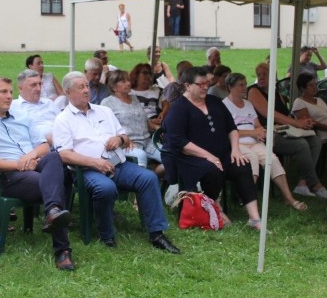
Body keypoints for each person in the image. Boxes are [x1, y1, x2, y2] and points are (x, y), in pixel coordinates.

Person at [54, 71, 180, 252]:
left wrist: (119, 140)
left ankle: (157, 233)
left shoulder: (104, 111)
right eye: (80, 87)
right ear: (67, 92)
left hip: (118, 164)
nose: (85, 90)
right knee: (106, 188)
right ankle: (107, 234)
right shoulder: (63, 119)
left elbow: (125, 137)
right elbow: (64, 154)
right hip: (87, 170)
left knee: (148, 178)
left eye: (86, 86)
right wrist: (94, 162)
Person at [0, 77, 75, 270]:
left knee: (54, 157)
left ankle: (52, 211)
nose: (9, 96)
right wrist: (19, 165)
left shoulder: (22, 116)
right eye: (3, 92)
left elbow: (43, 146)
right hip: (9, 176)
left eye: (10, 91)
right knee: (54, 184)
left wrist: (31, 156)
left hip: (34, 165)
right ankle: (62, 250)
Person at [163, 67, 264, 229]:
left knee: (242, 165)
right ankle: (215, 209)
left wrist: (236, 150)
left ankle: (255, 218)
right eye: (200, 84)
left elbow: (232, 128)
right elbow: (178, 141)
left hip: (221, 154)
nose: (205, 87)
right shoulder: (179, 108)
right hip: (190, 159)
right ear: (187, 86)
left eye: (207, 84)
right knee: (213, 170)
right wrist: (208, 156)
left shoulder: (214, 102)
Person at [248, 62, 327, 199]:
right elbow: (269, 114)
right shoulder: (253, 91)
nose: (261, 77)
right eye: (259, 75)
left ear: (273, 76)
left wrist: (301, 123)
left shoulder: (277, 93)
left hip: (285, 130)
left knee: (315, 140)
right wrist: (296, 123)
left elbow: (286, 115)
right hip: (269, 133)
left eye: (265, 74)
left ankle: (302, 183)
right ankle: (315, 184)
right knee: (301, 144)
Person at [223, 72, 307, 211]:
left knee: (272, 159)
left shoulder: (248, 104)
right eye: (240, 85)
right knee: (253, 159)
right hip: (238, 145)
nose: (244, 88)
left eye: (245, 84)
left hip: (255, 142)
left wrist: (261, 131)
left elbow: (256, 124)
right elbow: (227, 132)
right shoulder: (224, 106)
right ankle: (248, 199)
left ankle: (289, 198)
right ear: (230, 87)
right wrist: (252, 132)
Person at [101, 70, 163, 174]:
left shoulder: (134, 98)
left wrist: (158, 128)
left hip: (147, 142)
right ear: (113, 86)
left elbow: (142, 120)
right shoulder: (107, 103)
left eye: (128, 80)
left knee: (170, 155)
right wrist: (124, 140)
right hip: (127, 145)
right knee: (140, 155)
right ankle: (141, 184)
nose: (128, 83)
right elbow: (105, 128)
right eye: (123, 81)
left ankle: (154, 179)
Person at [11, 69, 62, 144]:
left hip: (62, 142)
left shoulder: (49, 103)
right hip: (39, 148)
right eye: (33, 85)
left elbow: (65, 122)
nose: (38, 89)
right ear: (20, 88)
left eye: (40, 84)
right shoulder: (13, 107)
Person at [291, 73, 327, 143]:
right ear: (302, 88)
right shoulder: (299, 102)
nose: (315, 87)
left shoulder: (319, 100)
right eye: (311, 85)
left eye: (315, 84)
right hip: (324, 135)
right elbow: (308, 123)